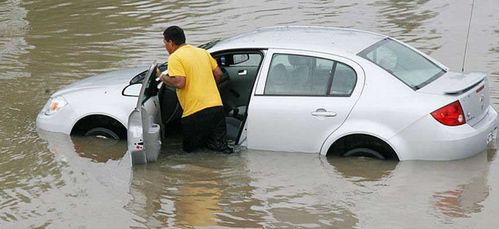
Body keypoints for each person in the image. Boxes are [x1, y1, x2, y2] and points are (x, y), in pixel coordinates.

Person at [158, 25, 232, 154]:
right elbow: (219, 74)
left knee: (192, 153)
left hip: (195, 112)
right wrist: (210, 89)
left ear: (170, 42)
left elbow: (180, 82)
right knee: (221, 149)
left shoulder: (175, 57)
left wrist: (161, 76)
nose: (165, 47)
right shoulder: (202, 52)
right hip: (216, 107)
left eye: (164, 43)